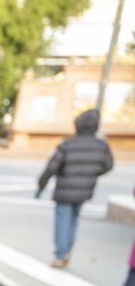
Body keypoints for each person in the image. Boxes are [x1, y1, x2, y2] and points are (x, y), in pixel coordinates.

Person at [37, 108, 115, 268]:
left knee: (63, 220)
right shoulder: (101, 146)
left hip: (65, 189)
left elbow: (51, 167)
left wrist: (41, 185)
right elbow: (108, 165)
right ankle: (67, 251)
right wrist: (92, 173)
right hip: (84, 190)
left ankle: (60, 254)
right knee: (73, 220)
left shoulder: (68, 144)